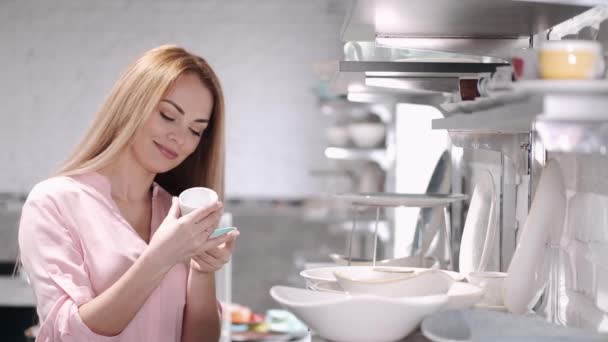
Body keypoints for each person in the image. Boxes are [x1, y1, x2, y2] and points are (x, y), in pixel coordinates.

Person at [18, 45, 238, 342]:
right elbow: (67, 334)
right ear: (132, 104)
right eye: (168, 115)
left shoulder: (177, 214)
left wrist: (201, 270)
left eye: (196, 130)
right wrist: (161, 255)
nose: (180, 138)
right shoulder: (54, 202)